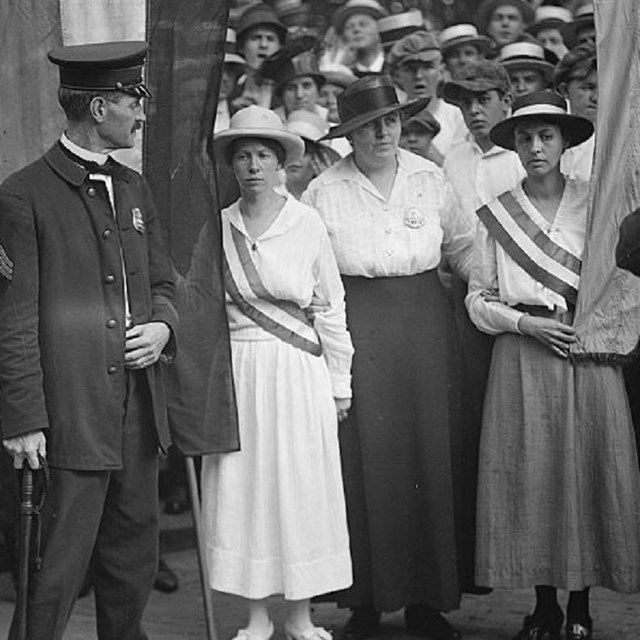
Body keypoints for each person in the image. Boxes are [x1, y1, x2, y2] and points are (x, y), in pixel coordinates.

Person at [0, 41, 178, 640]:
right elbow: (12, 320)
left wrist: (163, 327)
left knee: (132, 568)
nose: (142, 113)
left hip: (137, 413)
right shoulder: (21, 196)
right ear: (100, 107)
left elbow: (163, 284)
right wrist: (24, 417)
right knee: (51, 578)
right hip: (66, 417)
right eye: (136, 100)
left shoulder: (134, 187)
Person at [303, 74, 475, 640]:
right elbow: (312, 275)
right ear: (348, 134)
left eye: (392, 120)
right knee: (365, 458)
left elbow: (463, 249)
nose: (383, 132)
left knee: (429, 456)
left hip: (426, 325)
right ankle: (365, 602)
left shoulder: (430, 177)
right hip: (360, 328)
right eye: (368, 125)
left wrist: (500, 291)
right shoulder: (324, 191)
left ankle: (429, 599)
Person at [466, 90, 640, 640]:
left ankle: (581, 605)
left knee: (586, 472)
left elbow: (624, 277)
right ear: (513, 146)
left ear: (566, 142)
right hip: (524, 349)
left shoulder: (598, 202)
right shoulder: (498, 215)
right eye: (525, 137)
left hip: (585, 348)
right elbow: (478, 298)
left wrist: (597, 324)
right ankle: (543, 603)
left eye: (546, 136)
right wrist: (524, 324)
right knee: (532, 475)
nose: (536, 147)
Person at [202, 105, 354, 640]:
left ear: (282, 163)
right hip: (242, 370)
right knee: (248, 488)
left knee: (300, 486)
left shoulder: (306, 222)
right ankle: (257, 616)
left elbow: (330, 308)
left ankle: (300, 615)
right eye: (242, 156)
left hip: (297, 369)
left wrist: (340, 383)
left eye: (263, 155)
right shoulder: (218, 226)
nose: (252, 166)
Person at [388, 30, 467, 165]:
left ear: (441, 71)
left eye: (427, 67)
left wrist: (429, 151)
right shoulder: (390, 119)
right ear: (397, 76)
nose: (419, 76)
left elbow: (463, 173)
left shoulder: (458, 117)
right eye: (410, 69)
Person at [553, 42, 597, 182]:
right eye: (588, 88)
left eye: (604, 87)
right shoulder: (549, 135)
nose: (596, 97)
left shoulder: (619, 143)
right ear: (564, 90)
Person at [232, 3, 287, 111]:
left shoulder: (290, 91)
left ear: (280, 48)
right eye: (256, 38)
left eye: (270, 39)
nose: (263, 45)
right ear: (241, 47)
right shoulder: (230, 90)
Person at [285, 109, 341, 199]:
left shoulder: (330, 197)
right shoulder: (269, 193)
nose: (296, 159)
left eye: (305, 151)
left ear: (319, 158)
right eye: (291, 150)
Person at [332, 0, 388, 75]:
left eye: (363, 24)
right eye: (349, 27)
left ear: (380, 27)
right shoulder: (343, 74)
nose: (356, 30)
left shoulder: (395, 65)